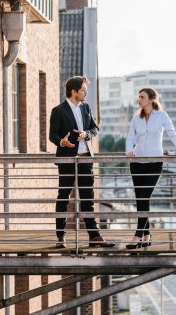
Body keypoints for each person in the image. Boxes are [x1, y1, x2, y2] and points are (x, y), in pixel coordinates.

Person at [49, 76, 115, 249]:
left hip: (85, 157)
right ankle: (60, 237)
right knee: (63, 198)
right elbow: (52, 135)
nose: (86, 93)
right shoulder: (58, 111)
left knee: (88, 198)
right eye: (84, 90)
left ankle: (94, 236)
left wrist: (86, 134)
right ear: (74, 92)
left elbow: (95, 129)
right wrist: (62, 142)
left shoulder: (86, 108)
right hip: (67, 160)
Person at [125, 87, 176, 249]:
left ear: (151, 99)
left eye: (142, 97)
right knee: (140, 198)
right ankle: (147, 235)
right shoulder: (136, 118)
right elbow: (130, 136)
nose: (139, 100)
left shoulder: (162, 116)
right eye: (138, 97)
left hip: (154, 162)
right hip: (136, 162)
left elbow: (171, 132)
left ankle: (138, 235)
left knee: (144, 196)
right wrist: (129, 150)